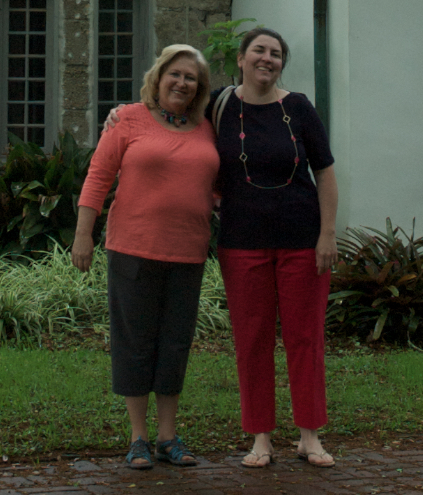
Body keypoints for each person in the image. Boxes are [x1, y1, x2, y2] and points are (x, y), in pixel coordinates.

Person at [71, 43, 219, 470]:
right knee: (134, 341)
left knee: (175, 343)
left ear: (199, 88)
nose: (182, 83)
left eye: (191, 78)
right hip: (132, 249)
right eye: (175, 74)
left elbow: (220, 184)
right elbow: (98, 176)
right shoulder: (128, 119)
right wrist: (83, 235)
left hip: (188, 252)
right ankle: (138, 438)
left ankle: (168, 437)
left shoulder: (208, 128)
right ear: (158, 77)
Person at [214, 26, 338, 468]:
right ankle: (260, 438)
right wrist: (122, 113)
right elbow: (167, 113)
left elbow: (325, 172)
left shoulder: (298, 107)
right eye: (259, 50)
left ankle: (310, 436)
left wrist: (327, 234)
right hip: (241, 243)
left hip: (302, 241)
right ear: (241, 58)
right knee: (252, 341)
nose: (267, 58)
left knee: (305, 338)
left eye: (276, 53)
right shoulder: (219, 106)